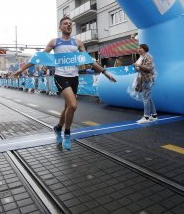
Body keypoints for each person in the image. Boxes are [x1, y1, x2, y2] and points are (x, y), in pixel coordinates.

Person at [12, 16, 116, 150]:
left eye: (70, 24)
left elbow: (89, 60)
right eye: (65, 24)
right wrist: (20, 70)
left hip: (74, 77)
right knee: (73, 105)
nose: (68, 25)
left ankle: (58, 128)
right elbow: (38, 58)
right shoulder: (54, 42)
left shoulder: (78, 43)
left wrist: (105, 72)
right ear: (60, 27)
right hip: (60, 76)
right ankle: (67, 133)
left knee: (68, 108)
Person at [133, 44, 157, 123]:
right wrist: (135, 67)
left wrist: (138, 65)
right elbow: (139, 69)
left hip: (147, 79)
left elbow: (149, 68)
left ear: (145, 49)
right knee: (148, 97)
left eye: (140, 48)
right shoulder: (141, 57)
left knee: (145, 98)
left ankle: (146, 117)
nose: (138, 49)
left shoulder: (148, 57)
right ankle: (154, 115)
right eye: (138, 48)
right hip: (143, 79)